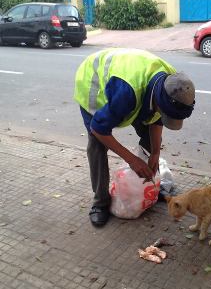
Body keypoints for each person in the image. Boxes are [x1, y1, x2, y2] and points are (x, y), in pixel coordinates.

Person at [74, 48, 195, 227]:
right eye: (164, 113)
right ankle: (100, 202)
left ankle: (148, 186)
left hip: (135, 90)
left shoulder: (173, 82)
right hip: (93, 86)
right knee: (97, 145)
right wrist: (132, 160)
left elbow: (157, 120)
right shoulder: (127, 93)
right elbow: (99, 128)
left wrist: (154, 153)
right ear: (158, 101)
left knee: (150, 139)